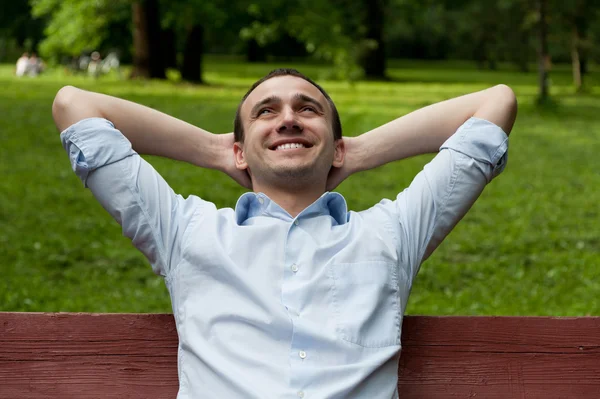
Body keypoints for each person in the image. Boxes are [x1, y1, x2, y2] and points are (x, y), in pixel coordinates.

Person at [52, 68, 517, 398]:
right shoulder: (185, 231)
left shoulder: (390, 233)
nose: (288, 119)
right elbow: (75, 105)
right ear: (239, 152)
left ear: (337, 146)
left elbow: (495, 103)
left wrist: (354, 153)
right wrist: (216, 149)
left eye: (307, 109)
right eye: (266, 112)